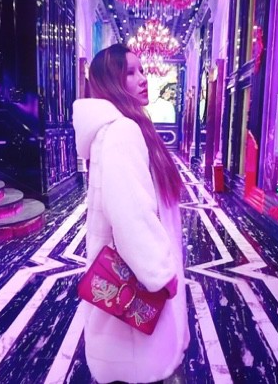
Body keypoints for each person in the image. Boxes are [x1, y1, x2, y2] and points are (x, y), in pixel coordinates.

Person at [72, 43, 190, 384]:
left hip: (131, 280)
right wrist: (160, 274)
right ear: (111, 81)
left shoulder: (123, 127)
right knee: (139, 369)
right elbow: (131, 214)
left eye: (142, 70)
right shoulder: (122, 131)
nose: (142, 78)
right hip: (136, 281)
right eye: (130, 72)